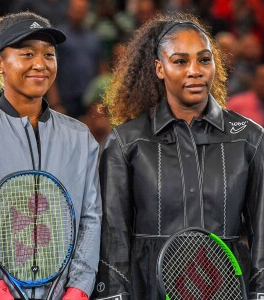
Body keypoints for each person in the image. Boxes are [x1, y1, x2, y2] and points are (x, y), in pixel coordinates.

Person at [91, 13, 264, 300]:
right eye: (181, 61)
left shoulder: (250, 138)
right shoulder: (125, 142)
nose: (195, 70)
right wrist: (112, 294)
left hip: (229, 290)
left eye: (204, 59)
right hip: (148, 291)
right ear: (160, 68)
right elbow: (113, 239)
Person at [0, 11, 102, 300]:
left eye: (49, 55)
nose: (40, 64)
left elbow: (91, 218)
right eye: (27, 54)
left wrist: (78, 289)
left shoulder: (79, 136)